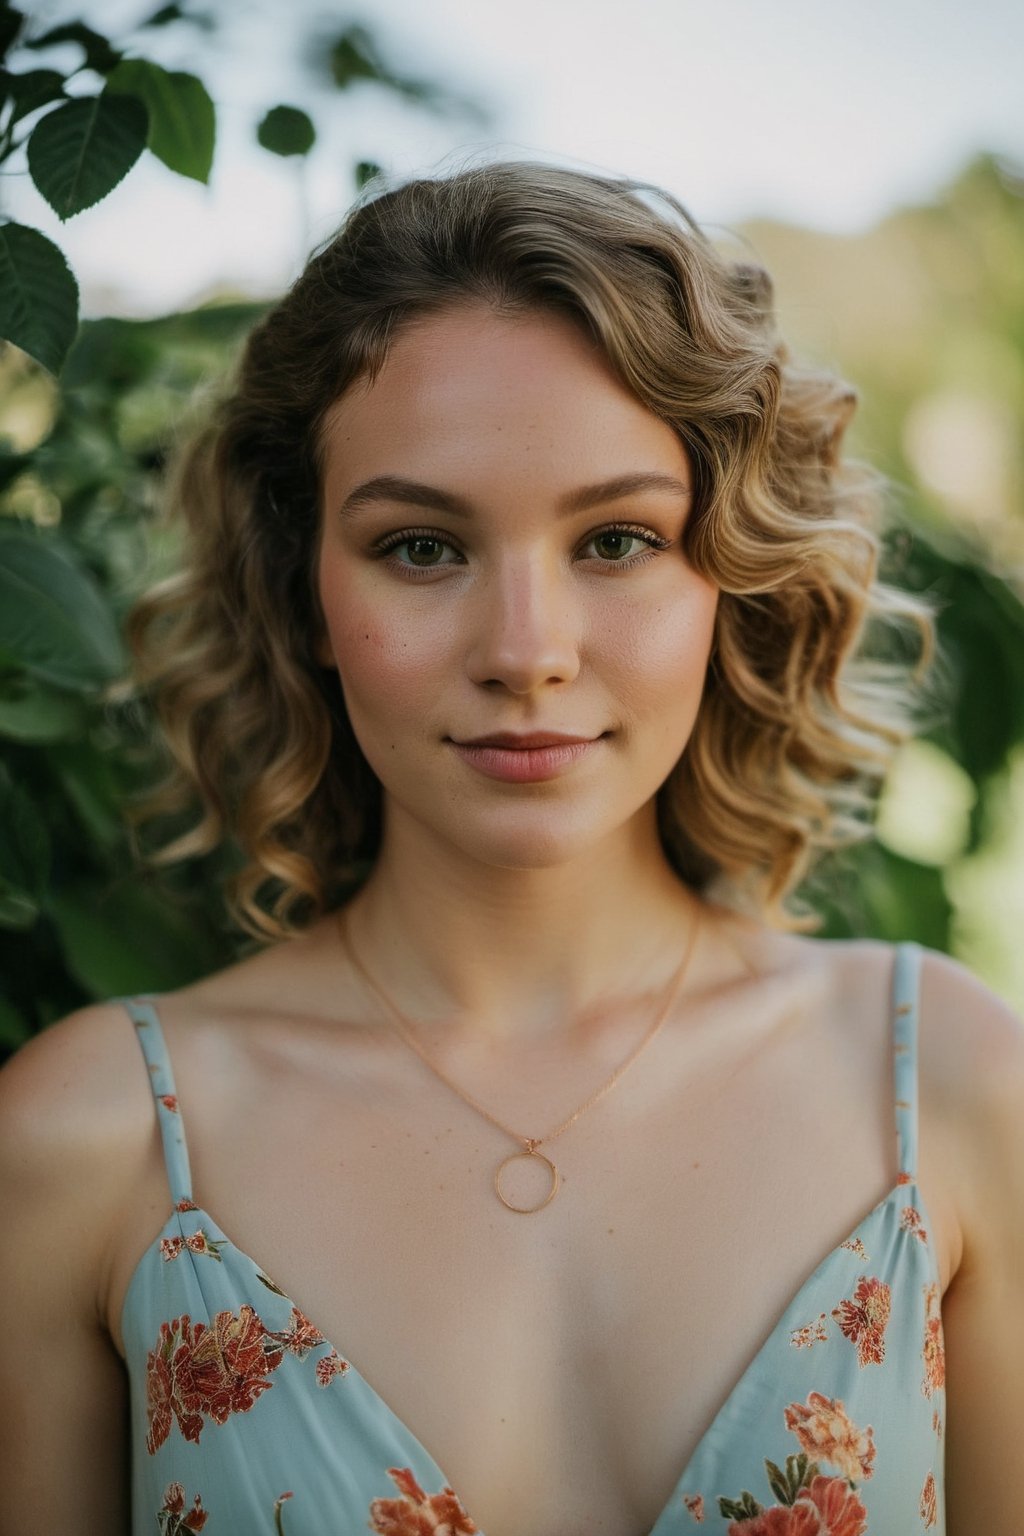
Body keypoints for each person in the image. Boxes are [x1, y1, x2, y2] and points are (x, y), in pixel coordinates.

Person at [0, 157, 1021, 1536]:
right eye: (422, 548)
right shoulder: (91, 1142)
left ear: (732, 569)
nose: (525, 653)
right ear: (302, 585)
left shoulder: (957, 1092)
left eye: (615, 540)